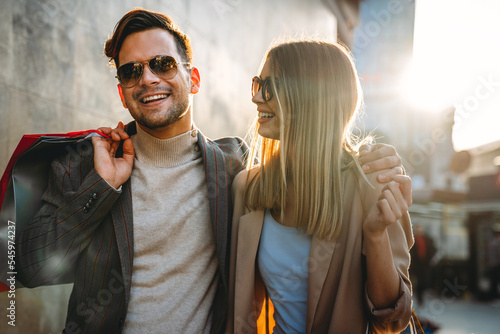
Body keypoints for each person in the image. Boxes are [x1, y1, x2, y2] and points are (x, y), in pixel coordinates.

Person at [14, 9, 405, 334]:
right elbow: (24, 267)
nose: (147, 78)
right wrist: (100, 188)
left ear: (193, 79)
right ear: (122, 91)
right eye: (131, 72)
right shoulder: (88, 166)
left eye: (162, 64)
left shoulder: (233, 168)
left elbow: (313, 165)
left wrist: (367, 162)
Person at [227, 40, 414, 333]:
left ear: (311, 97)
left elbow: (392, 320)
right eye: (257, 84)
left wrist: (375, 235)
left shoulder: (372, 186)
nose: (256, 98)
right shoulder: (249, 189)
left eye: (270, 87)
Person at [410, 224, 437, 305]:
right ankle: (419, 297)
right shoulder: (412, 239)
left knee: (425, 280)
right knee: (418, 281)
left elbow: (433, 249)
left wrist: (430, 259)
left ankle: (422, 295)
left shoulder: (427, 239)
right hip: (415, 264)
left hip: (425, 264)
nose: (419, 231)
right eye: (417, 229)